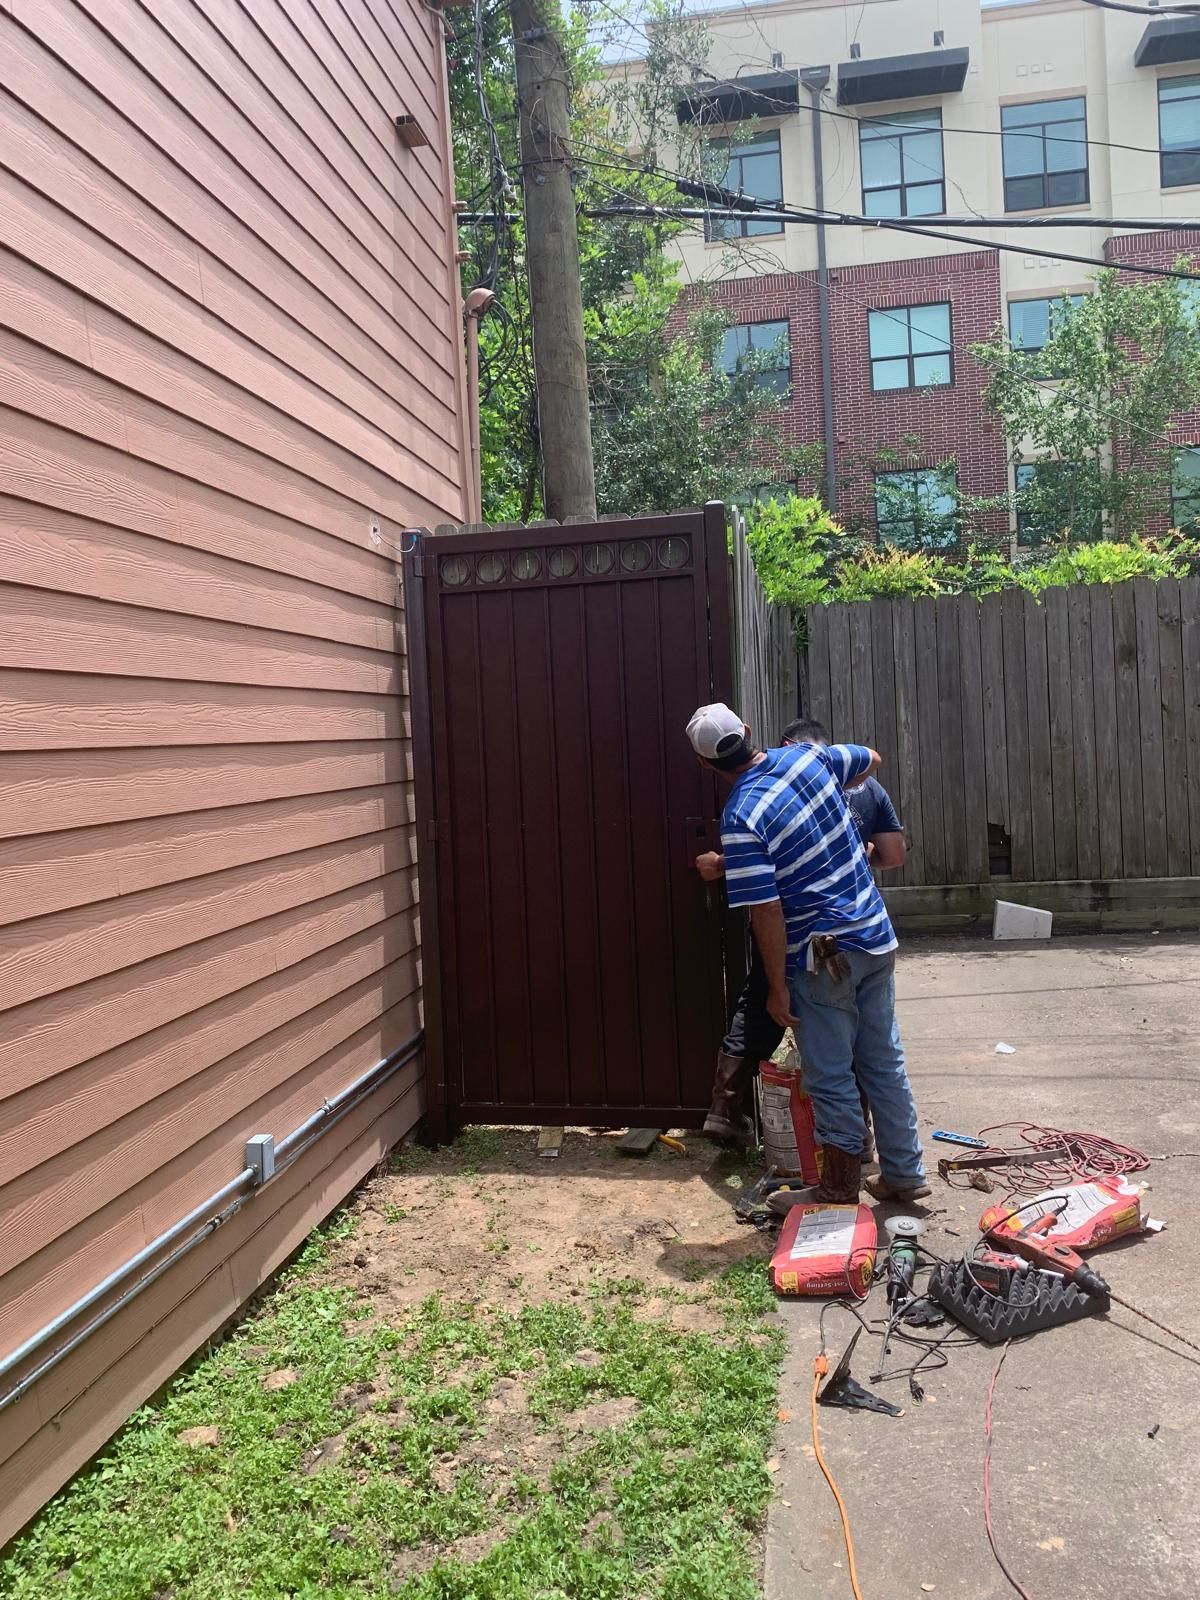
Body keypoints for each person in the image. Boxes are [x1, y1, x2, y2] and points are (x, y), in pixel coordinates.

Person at [685, 702, 928, 1204]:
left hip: (822, 956)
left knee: (830, 1070)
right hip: (875, 936)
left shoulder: (742, 816)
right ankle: (904, 1172)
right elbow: (873, 758)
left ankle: (839, 1188)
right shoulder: (809, 760)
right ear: (748, 732)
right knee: (883, 1059)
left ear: (704, 764)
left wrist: (777, 988)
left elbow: (767, 910)